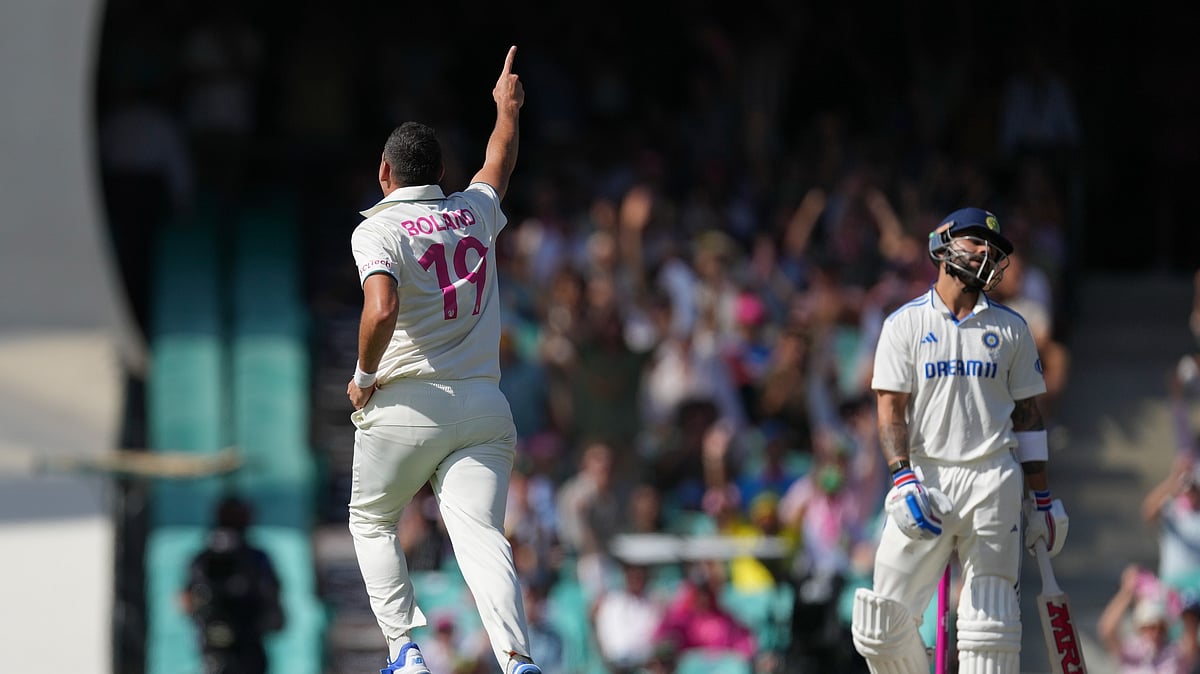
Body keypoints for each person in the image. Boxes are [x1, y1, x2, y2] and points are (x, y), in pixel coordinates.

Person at [344, 46, 541, 674]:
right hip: (484, 407)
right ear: (440, 171)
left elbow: (380, 308)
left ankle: (405, 651)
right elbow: (499, 161)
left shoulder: (377, 229)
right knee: (482, 538)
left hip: (406, 404)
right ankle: (516, 659)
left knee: (371, 520)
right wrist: (505, 109)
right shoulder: (473, 211)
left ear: (384, 172)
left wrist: (363, 376)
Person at [849, 207, 1068, 674]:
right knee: (878, 627)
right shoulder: (903, 325)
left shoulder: (1012, 329)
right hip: (925, 479)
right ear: (942, 243)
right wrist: (902, 478)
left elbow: (1028, 419)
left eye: (995, 248)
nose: (987, 252)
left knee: (989, 633)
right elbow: (890, 409)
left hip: (992, 478)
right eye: (975, 241)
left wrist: (1044, 499)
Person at [180, 495, 284, 674]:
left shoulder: (254, 560)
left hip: (245, 649)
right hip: (221, 651)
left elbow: (274, 613)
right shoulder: (205, 561)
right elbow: (188, 601)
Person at [1098, 564, 1192, 673]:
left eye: (1160, 628)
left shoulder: (1175, 653)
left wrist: (1179, 605)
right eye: (1150, 627)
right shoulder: (1131, 650)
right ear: (1141, 628)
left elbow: (1191, 638)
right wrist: (1127, 591)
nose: (1156, 633)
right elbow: (1107, 629)